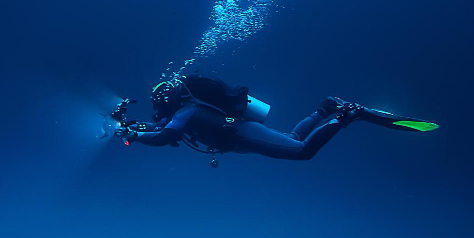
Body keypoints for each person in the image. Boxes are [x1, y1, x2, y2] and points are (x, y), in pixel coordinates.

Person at [119, 75, 436, 162]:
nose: (157, 109)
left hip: (241, 133)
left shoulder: (186, 111)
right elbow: (159, 129)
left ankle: (348, 115)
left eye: (157, 103)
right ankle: (325, 110)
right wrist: (132, 128)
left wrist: (134, 136)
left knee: (302, 152)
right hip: (239, 138)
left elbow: (167, 136)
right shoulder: (182, 113)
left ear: (168, 100)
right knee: (294, 140)